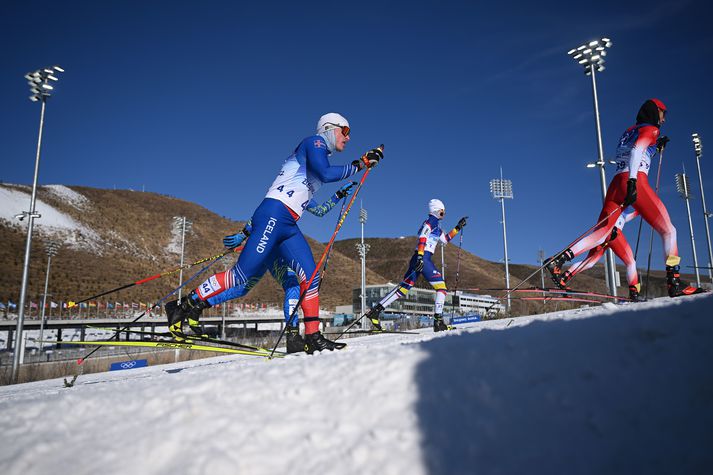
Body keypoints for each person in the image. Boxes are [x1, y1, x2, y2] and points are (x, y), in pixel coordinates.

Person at [165, 113, 383, 354]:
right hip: (274, 215)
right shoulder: (315, 142)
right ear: (329, 128)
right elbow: (325, 174)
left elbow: (316, 202)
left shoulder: (318, 155)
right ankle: (186, 305)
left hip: (287, 223)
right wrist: (360, 162)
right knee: (240, 277)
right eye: (345, 131)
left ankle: (313, 336)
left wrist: (343, 190)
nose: (348, 137)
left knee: (310, 278)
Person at [546, 98, 704, 298]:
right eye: (663, 114)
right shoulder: (652, 130)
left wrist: (655, 149)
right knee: (669, 231)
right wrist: (632, 182)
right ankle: (674, 283)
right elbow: (638, 151)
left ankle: (559, 260)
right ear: (655, 111)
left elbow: (636, 151)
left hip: (615, 184)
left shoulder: (629, 131)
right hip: (635, 179)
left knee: (603, 231)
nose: (663, 120)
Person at [179, 182, 357, 354]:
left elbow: (320, 211)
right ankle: (293, 336)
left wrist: (338, 195)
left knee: (243, 288)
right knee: (289, 284)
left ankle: (198, 304)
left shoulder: (304, 194)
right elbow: (262, 216)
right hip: (269, 248)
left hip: (272, 247)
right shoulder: (285, 188)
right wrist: (242, 234)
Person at [363, 199, 467, 332]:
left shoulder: (437, 227)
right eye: (442, 212)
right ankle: (438, 321)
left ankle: (376, 311)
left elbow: (445, 240)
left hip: (418, 258)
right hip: (423, 258)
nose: (444, 215)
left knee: (404, 288)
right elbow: (423, 237)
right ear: (436, 211)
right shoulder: (431, 222)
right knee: (442, 289)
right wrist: (420, 257)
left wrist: (457, 227)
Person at [555, 210, 643, 301]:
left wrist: (639, 212)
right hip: (614, 233)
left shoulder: (622, 214)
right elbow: (634, 212)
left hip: (602, 232)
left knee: (589, 262)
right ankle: (634, 292)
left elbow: (631, 215)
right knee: (631, 262)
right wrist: (642, 209)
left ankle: (564, 277)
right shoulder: (622, 211)